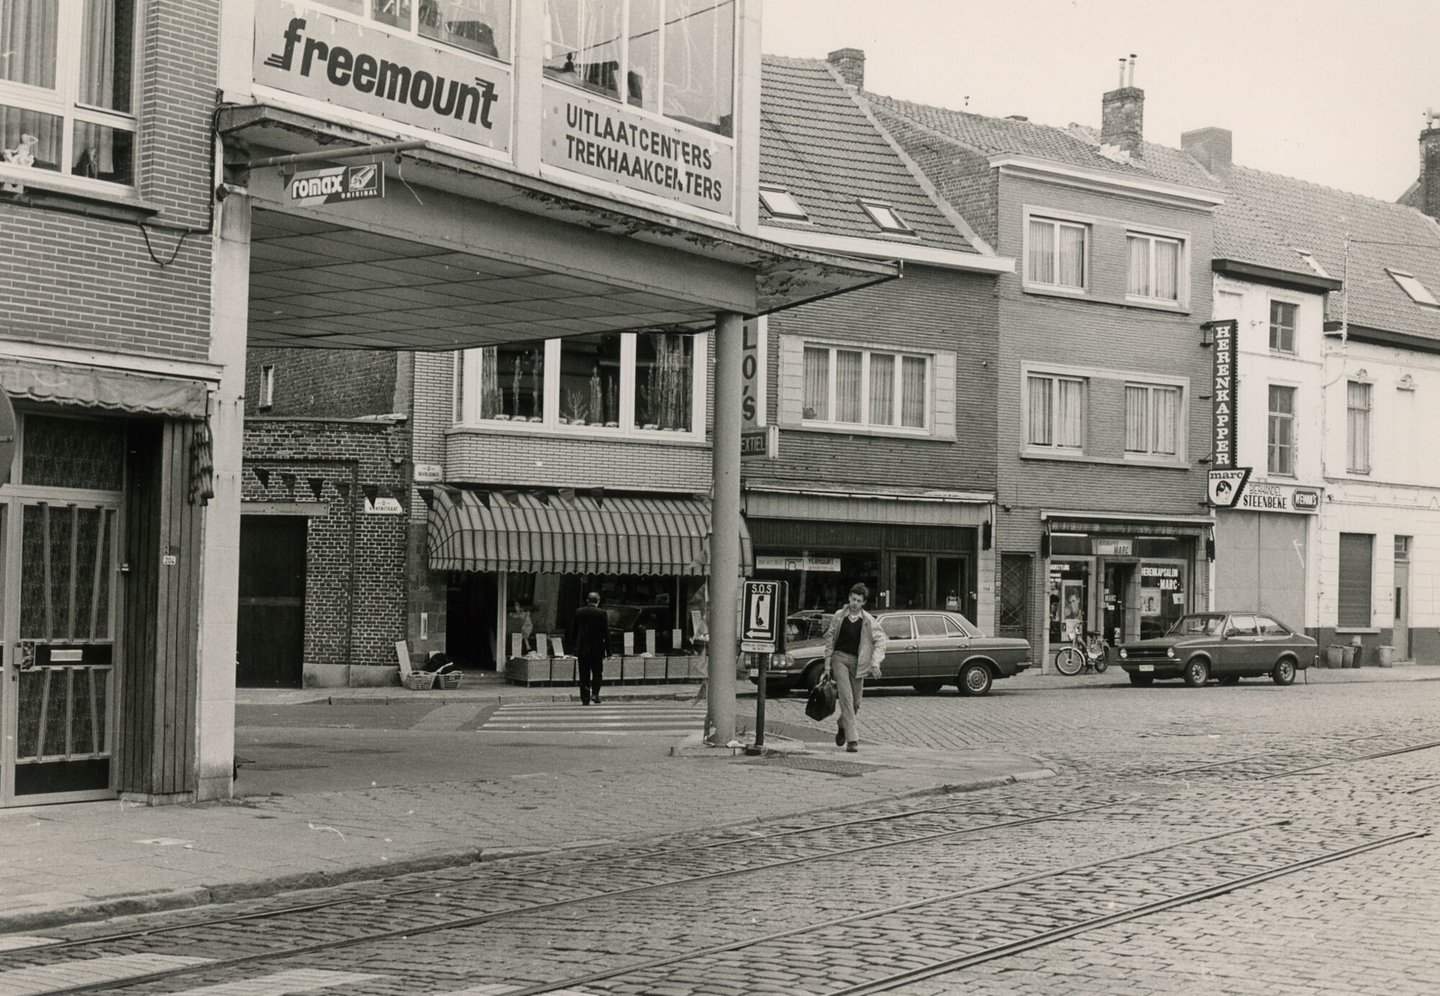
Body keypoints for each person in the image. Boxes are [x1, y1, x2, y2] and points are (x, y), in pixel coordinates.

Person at [822, 582, 886, 753]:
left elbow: (880, 641)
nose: (854, 603)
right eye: (852, 599)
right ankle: (852, 740)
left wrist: (875, 663)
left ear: (864, 602)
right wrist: (827, 666)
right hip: (839, 658)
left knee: (856, 703)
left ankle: (842, 724)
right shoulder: (838, 616)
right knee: (846, 699)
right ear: (849, 598)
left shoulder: (868, 621)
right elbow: (829, 642)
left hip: (859, 662)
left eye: (858, 600)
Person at [566, 592, 609, 705]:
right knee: (597, 672)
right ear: (598, 601)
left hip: (582, 648)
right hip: (597, 648)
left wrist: (573, 648)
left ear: (587, 600)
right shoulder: (602, 613)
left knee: (584, 673)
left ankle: (585, 698)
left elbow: (573, 631)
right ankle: (595, 693)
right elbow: (606, 633)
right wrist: (609, 651)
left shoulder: (579, 612)